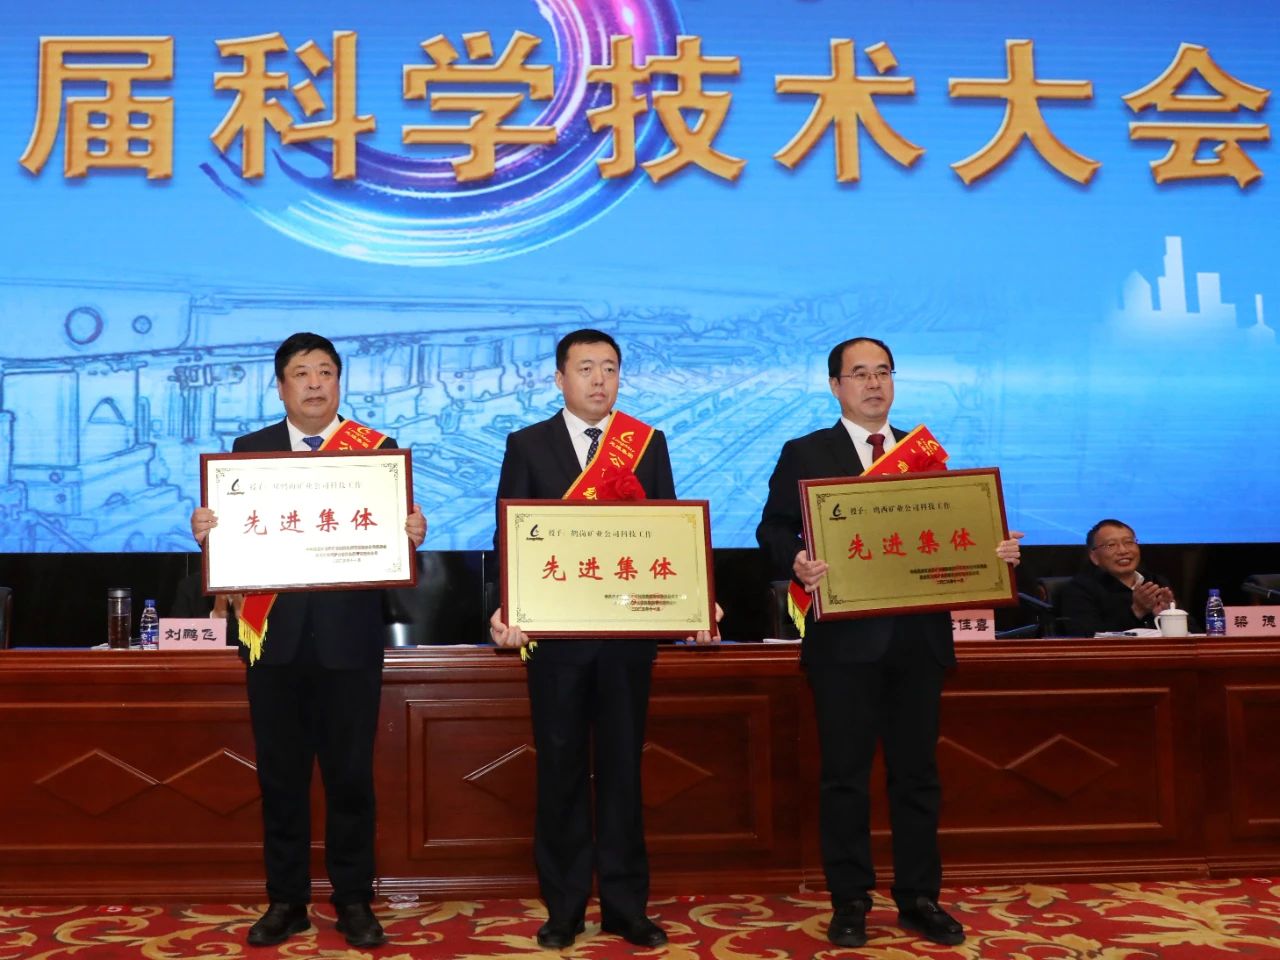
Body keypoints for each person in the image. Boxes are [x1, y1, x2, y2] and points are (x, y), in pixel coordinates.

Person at [756, 336, 1022, 950]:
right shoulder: (805, 451)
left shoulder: (920, 455)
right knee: (845, 778)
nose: (873, 384)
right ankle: (850, 899)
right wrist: (795, 559)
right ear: (836, 386)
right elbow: (771, 528)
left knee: (917, 776)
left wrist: (997, 552)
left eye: (883, 372)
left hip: (918, 641)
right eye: (859, 374)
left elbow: (949, 532)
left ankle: (920, 896)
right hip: (843, 646)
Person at [190, 332, 426, 949]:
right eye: (302, 373)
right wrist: (208, 531)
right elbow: (233, 543)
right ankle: (286, 900)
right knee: (281, 779)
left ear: (340, 382)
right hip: (274, 644)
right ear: (280, 386)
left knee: (351, 779)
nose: (315, 383)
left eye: (326, 371)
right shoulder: (249, 452)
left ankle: (354, 900)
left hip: (350, 643)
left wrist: (410, 534)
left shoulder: (376, 453)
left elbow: (390, 547)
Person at [488, 328, 715, 951]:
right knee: (560, 773)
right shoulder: (527, 444)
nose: (598, 379)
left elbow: (668, 529)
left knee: (622, 773)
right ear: (558, 378)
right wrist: (506, 608)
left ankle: (624, 907)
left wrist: (694, 597)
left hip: (625, 641)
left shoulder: (647, 443)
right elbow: (510, 535)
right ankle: (563, 908)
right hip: (554, 643)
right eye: (585, 367)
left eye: (609, 368)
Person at [1059, 519, 1178, 636]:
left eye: (1129, 542)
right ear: (1094, 556)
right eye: (1111, 545)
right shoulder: (1079, 590)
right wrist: (1136, 611)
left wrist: (1168, 617)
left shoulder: (1156, 583)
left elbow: (1187, 633)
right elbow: (1088, 638)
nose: (1123, 550)